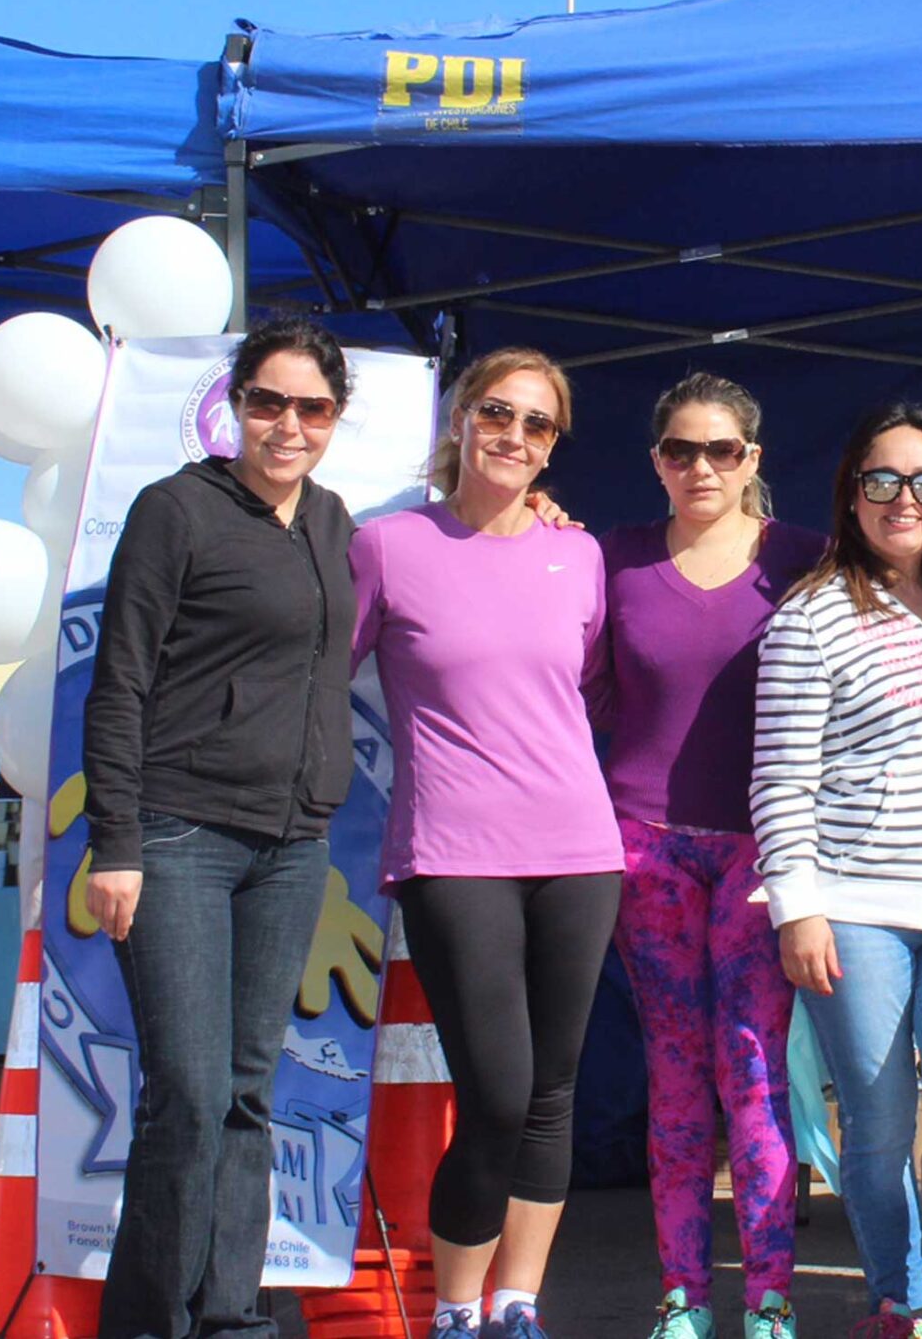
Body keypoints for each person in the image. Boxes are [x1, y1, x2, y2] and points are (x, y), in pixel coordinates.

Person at [82, 317, 360, 1339]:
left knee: (248, 1094)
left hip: (293, 847)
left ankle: (232, 1315)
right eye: (268, 402)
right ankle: (149, 1321)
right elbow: (118, 685)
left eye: (311, 408)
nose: (287, 425)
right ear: (234, 405)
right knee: (189, 1098)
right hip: (179, 835)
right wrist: (114, 842)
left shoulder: (334, 524)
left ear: (335, 420)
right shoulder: (176, 511)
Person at [352, 347, 622, 1339]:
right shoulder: (386, 546)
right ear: (461, 418)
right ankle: (453, 1312)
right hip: (451, 854)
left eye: (539, 423)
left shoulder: (578, 553)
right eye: (498, 413)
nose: (515, 436)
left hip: (580, 854)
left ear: (554, 446)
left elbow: (591, 690)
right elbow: (316, 675)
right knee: (498, 1094)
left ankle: (516, 1304)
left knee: (552, 1094)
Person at [750, 403, 922, 1339]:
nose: (906, 499)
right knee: (880, 1119)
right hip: (853, 909)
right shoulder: (811, 615)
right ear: (851, 493)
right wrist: (798, 909)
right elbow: (780, 777)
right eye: (884, 480)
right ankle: (897, 1300)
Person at [596, 373, 824, 1339]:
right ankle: (684, 1297)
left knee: (753, 1068)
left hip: (760, 853)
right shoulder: (609, 561)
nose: (701, 467)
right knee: (676, 1074)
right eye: (681, 450)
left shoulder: (806, 558)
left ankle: (769, 1299)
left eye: (721, 450)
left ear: (752, 460)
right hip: (640, 847)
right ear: (655, 460)